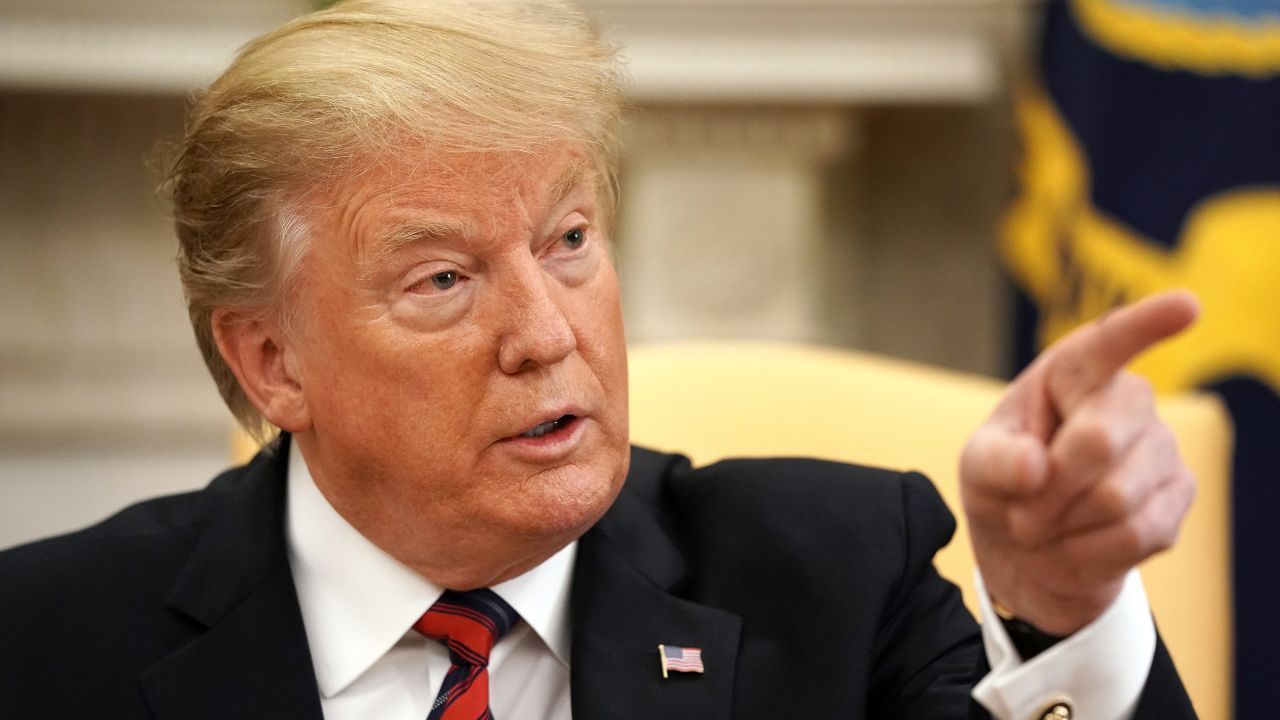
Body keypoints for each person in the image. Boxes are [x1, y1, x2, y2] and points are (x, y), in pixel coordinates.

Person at [0, 1, 1198, 718]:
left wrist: (1060, 614)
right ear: (271, 364)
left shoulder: (834, 576)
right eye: (443, 280)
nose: (546, 331)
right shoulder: (47, 643)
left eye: (567, 240)